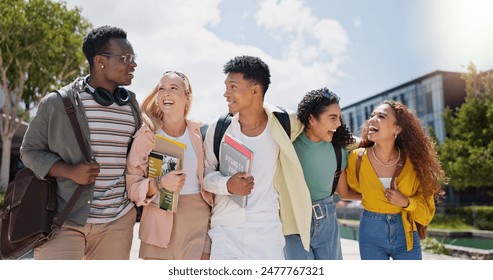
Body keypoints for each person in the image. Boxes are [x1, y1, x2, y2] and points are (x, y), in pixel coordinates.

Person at [20, 25, 141, 259]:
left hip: (117, 222)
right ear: (100, 61)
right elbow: (28, 151)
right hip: (64, 219)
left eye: (134, 58)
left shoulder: (131, 105)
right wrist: (69, 171)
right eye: (126, 58)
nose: (133, 64)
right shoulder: (56, 103)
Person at [203, 55, 313, 260]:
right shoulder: (217, 129)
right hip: (226, 231)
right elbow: (205, 174)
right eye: (226, 86)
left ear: (255, 90)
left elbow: (318, 127)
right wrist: (228, 184)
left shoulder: (284, 122)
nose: (226, 93)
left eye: (233, 86)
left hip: (267, 231)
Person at [126, 71, 213, 260]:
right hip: (158, 224)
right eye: (162, 88)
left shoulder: (201, 133)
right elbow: (132, 187)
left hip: (199, 223)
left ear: (187, 97)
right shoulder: (147, 135)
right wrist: (159, 184)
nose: (166, 93)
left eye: (174, 88)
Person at [346, 100, 445, 260]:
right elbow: (353, 189)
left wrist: (406, 202)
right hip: (370, 232)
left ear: (397, 128)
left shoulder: (414, 162)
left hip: (406, 233)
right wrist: (373, 199)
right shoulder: (356, 158)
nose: (372, 119)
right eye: (372, 115)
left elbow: (426, 212)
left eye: (381, 116)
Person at [284, 87, 362, 260]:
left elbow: (343, 192)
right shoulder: (289, 146)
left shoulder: (338, 149)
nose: (339, 124)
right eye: (332, 118)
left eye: (339, 118)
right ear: (312, 119)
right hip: (293, 221)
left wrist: (377, 197)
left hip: (327, 220)